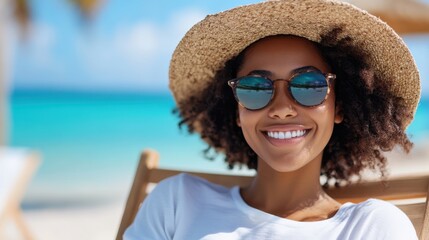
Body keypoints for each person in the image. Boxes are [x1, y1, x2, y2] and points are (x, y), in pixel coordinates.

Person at [124, 0, 421, 239]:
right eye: (255, 89)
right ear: (237, 110)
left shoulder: (372, 228)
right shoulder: (177, 202)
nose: (281, 108)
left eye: (308, 85)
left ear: (339, 106)